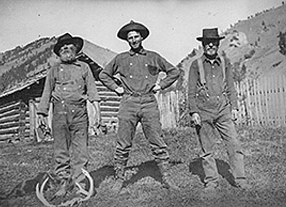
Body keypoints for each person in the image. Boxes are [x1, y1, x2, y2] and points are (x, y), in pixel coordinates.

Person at [99, 20, 180, 192]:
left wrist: (160, 85)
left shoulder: (153, 57)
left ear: (142, 37)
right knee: (123, 143)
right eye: (130, 38)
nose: (134, 40)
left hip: (149, 102)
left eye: (136, 37)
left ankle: (166, 178)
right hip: (128, 102)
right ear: (127, 41)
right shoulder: (121, 58)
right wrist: (116, 88)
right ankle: (119, 179)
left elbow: (174, 71)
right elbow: (104, 75)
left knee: (157, 140)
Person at [37, 33, 101, 196]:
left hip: (79, 114)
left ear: (76, 49)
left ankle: (80, 185)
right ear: (58, 52)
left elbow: (92, 91)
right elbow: (47, 91)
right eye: (62, 47)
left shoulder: (84, 68)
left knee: (81, 151)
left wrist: (97, 111)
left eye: (69, 46)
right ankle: (63, 183)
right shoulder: (54, 69)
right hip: (60, 113)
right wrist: (42, 113)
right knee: (61, 151)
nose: (66, 49)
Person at [188, 28, 248, 193]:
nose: (211, 46)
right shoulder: (196, 65)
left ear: (218, 43)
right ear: (203, 44)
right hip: (203, 110)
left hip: (223, 110)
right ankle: (212, 182)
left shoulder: (225, 62)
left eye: (214, 42)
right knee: (207, 149)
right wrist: (193, 112)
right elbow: (191, 91)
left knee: (234, 144)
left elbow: (230, 86)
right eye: (207, 43)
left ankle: (241, 180)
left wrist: (234, 107)